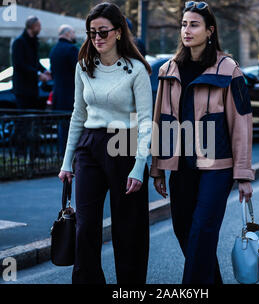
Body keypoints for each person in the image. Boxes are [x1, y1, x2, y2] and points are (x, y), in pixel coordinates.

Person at [150, 1, 255, 284]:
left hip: (216, 166)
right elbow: (161, 119)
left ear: (210, 31)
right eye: (184, 24)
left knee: (203, 230)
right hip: (180, 166)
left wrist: (243, 174)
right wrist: (158, 167)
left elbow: (242, 122)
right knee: (184, 230)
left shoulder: (228, 69)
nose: (187, 30)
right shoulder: (168, 69)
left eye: (194, 24)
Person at [58, 2, 153, 284]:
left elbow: (146, 121)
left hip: (125, 144)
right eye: (92, 33)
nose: (97, 38)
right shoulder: (83, 67)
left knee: (129, 228)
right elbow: (78, 115)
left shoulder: (136, 70)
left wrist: (139, 167)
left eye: (103, 32)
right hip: (89, 147)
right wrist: (67, 163)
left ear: (119, 32)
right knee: (85, 226)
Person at [49, 24, 79, 156]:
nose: (74, 35)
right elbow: (79, 72)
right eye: (73, 33)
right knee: (74, 129)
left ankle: (63, 155)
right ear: (67, 34)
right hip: (72, 95)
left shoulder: (54, 50)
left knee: (63, 128)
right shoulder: (72, 49)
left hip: (58, 95)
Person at [11, 16, 51, 110]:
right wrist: (38, 74)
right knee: (24, 118)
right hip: (22, 89)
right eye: (39, 26)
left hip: (32, 88)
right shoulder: (19, 42)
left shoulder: (33, 42)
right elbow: (19, 64)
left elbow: (35, 62)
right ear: (32, 26)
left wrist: (45, 71)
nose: (40, 28)